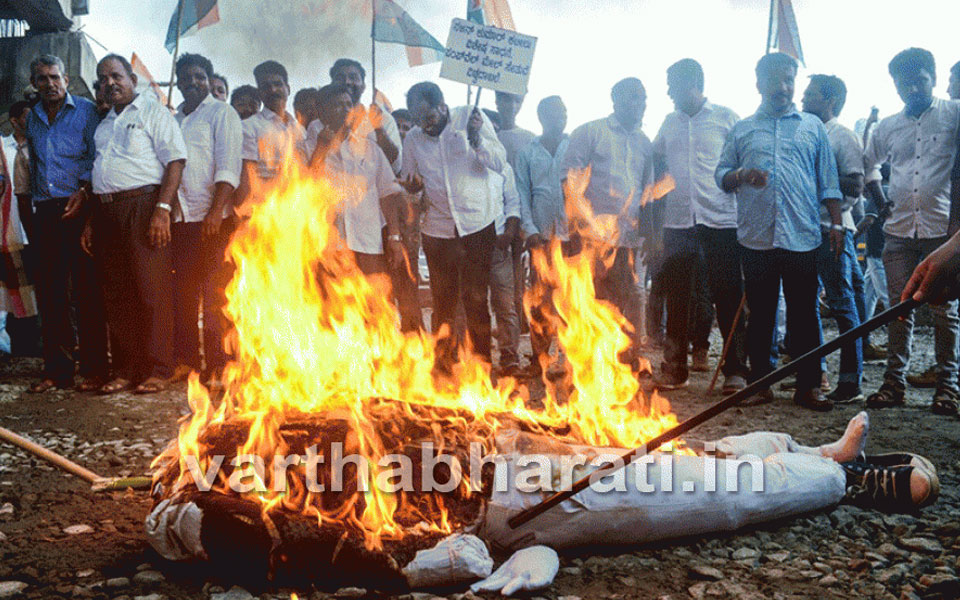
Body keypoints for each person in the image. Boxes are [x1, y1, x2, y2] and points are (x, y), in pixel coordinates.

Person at [715, 52, 843, 411]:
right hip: (756, 238)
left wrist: (836, 224)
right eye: (775, 80)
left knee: (804, 314)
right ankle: (761, 383)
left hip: (802, 235)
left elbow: (828, 181)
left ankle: (809, 386)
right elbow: (721, 175)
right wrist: (741, 176)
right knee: (761, 314)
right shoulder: (742, 129)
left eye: (789, 80)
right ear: (759, 83)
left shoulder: (812, 127)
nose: (783, 87)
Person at [860, 48, 960, 416]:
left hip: (943, 233)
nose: (913, 87)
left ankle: (948, 387)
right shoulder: (887, 126)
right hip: (899, 231)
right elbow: (867, 165)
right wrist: (880, 200)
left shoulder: (954, 114)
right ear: (896, 86)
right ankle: (893, 385)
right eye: (905, 82)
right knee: (898, 310)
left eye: (920, 78)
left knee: (944, 311)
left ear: (932, 78)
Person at [82, 54, 186, 394]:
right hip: (106, 211)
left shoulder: (154, 113)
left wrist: (162, 209)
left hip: (143, 207)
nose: (109, 83)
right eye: (103, 78)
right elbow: (101, 175)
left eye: (116, 76)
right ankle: (125, 369)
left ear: (132, 79)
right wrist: (92, 222)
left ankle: (157, 368)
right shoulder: (104, 123)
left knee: (150, 291)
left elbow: (175, 161)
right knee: (117, 294)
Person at [651, 58, 747, 394]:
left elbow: (742, 162)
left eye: (672, 85)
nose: (667, 92)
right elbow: (656, 157)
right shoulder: (668, 122)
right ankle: (675, 368)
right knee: (678, 298)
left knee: (727, 295)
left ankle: (735, 370)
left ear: (693, 84)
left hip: (720, 219)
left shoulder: (726, 118)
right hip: (678, 222)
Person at [400, 82, 507, 370]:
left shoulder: (470, 118)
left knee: (475, 300)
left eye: (430, 118)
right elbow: (413, 185)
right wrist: (413, 188)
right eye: (419, 120)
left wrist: (476, 139)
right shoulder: (412, 139)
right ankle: (443, 365)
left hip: (477, 226)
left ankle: (482, 366)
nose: (426, 126)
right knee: (443, 303)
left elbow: (499, 162)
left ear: (442, 107)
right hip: (438, 231)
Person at [24, 54, 109, 392]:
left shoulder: (87, 111)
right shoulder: (33, 118)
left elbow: (97, 156)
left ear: (66, 80)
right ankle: (57, 371)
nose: (50, 84)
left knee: (87, 291)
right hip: (46, 210)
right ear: (35, 84)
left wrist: (86, 196)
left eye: (55, 77)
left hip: (82, 206)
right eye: (42, 79)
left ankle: (93, 369)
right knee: (51, 293)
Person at [562, 78, 654, 366]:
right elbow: (571, 182)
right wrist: (577, 229)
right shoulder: (591, 132)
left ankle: (625, 361)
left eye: (643, 98)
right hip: (591, 237)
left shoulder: (644, 143)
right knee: (590, 300)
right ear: (616, 100)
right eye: (632, 98)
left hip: (627, 238)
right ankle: (586, 364)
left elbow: (648, 191)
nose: (639, 105)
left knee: (626, 299)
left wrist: (648, 234)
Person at [172, 53, 243, 384]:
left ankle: (219, 365)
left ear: (209, 78)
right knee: (185, 295)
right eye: (185, 77)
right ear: (178, 82)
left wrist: (216, 211)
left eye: (199, 76)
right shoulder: (174, 118)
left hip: (214, 218)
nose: (192, 82)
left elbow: (229, 165)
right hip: (180, 219)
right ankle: (188, 362)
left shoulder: (222, 112)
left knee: (216, 297)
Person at [801, 74, 866, 404]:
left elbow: (855, 186)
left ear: (831, 102)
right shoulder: (806, 131)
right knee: (807, 304)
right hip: (804, 231)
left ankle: (851, 382)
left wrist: (812, 178)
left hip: (834, 231)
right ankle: (816, 375)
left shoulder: (843, 135)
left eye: (810, 95)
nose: (802, 99)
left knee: (841, 303)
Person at [310, 83, 405, 290]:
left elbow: (388, 194)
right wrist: (320, 150)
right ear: (322, 112)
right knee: (332, 311)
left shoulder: (370, 148)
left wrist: (394, 238)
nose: (345, 110)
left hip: (368, 244)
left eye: (348, 105)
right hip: (329, 247)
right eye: (337, 105)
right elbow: (302, 192)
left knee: (373, 307)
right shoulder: (307, 145)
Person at [517, 96, 570, 375]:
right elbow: (522, 193)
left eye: (563, 113)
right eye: (553, 114)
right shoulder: (528, 152)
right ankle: (540, 359)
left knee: (570, 299)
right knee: (540, 300)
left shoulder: (574, 147)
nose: (560, 118)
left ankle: (571, 361)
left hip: (571, 237)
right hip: (541, 238)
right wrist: (531, 230)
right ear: (542, 118)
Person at [306, 58, 400, 172]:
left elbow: (395, 167)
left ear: (364, 86)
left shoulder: (384, 119)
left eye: (353, 77)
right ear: (332, 84)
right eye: (340, 78)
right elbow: (308, 172)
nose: (347, 82)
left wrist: (379, 129)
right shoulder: (317, 125)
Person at [235, 60, 304, 215]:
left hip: (297, 214)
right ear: (260, 93)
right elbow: (247, 174)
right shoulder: (249, 127)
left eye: (278, 84)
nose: (273, 90)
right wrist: (243, 213)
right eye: (266, 86)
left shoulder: (300, 130)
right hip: (263, 215)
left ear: (288, 89)